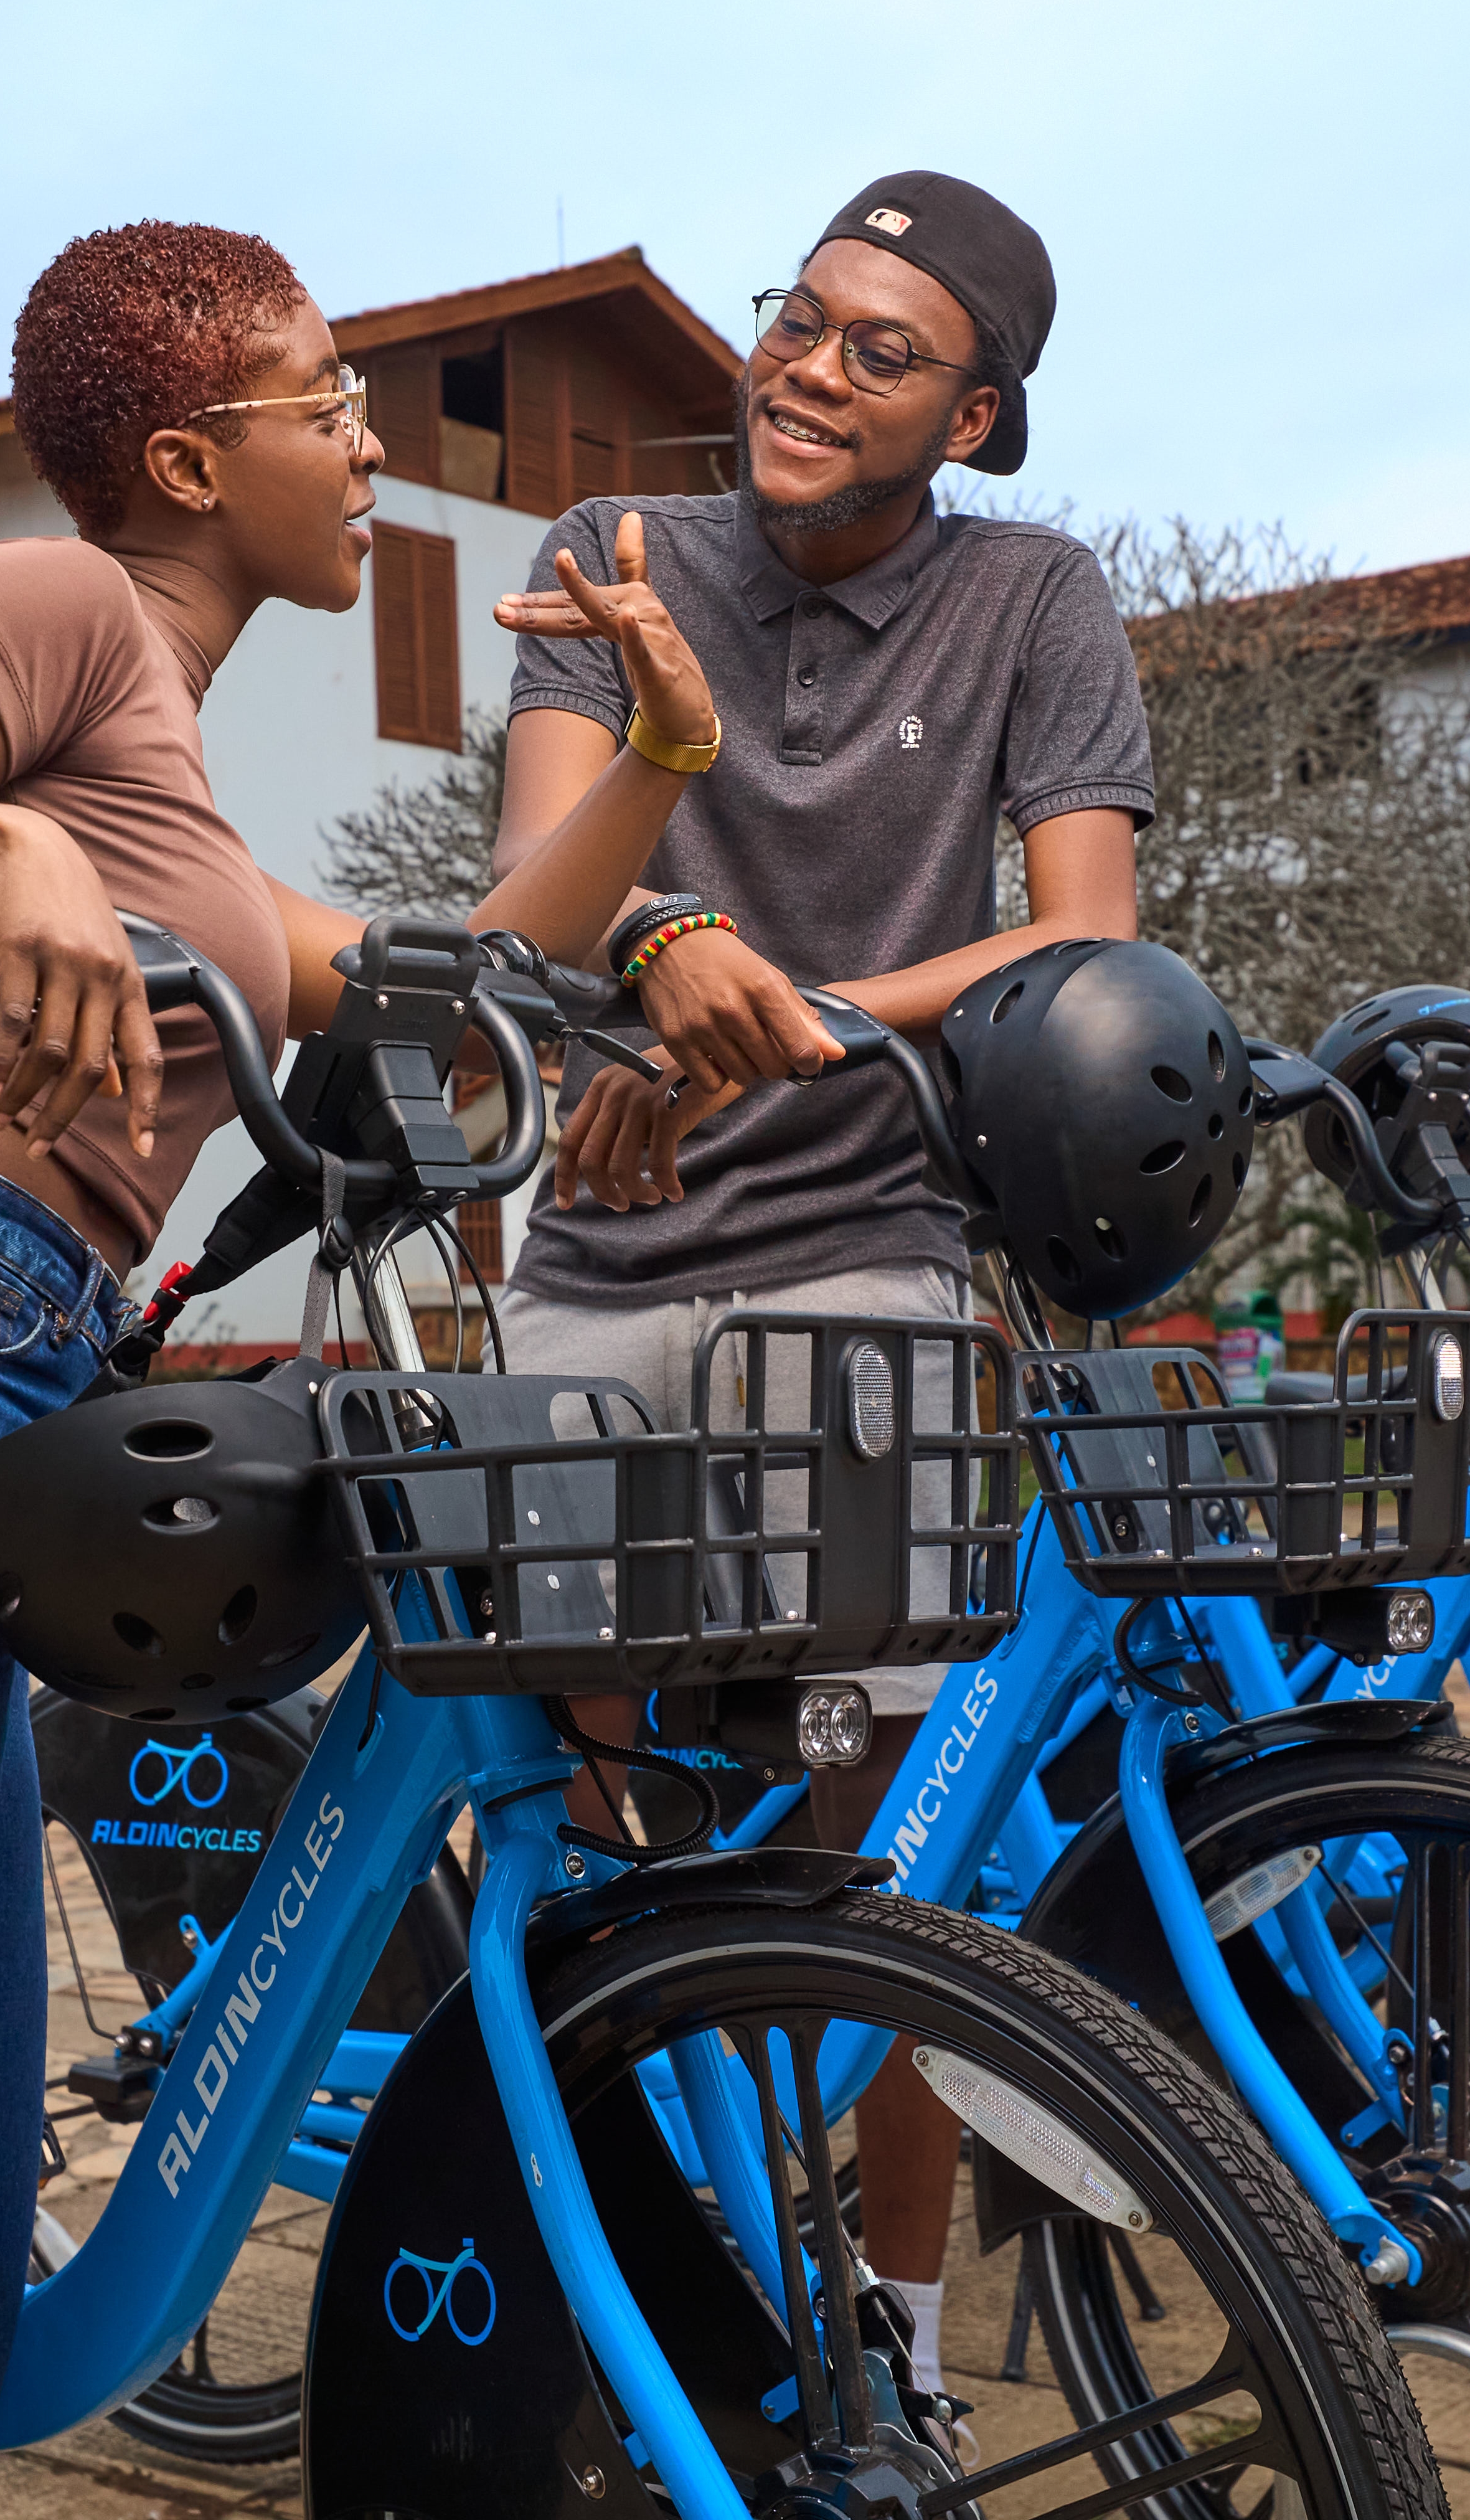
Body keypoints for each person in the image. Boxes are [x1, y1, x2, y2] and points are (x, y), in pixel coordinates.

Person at [0, 221, 725, 2519]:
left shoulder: (167, 785)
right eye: (330, 399)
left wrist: (661, 763)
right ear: (188, 459)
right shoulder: (56, 612)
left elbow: (443, 974)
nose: (373, 439)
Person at [486, 170, 1152, 2419]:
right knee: (585, 1834)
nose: (808, 365)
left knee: (877, 1871)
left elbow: (1078, 938)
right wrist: (669, 968)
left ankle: (894, 2343)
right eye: (799, 315)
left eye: (883, 349)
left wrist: (795, 1012)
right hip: (588, 1241)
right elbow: (538, 901)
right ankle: (632, 2316)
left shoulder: (1038, 596)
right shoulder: (621, 561)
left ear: (972, 417)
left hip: (861, 1234)